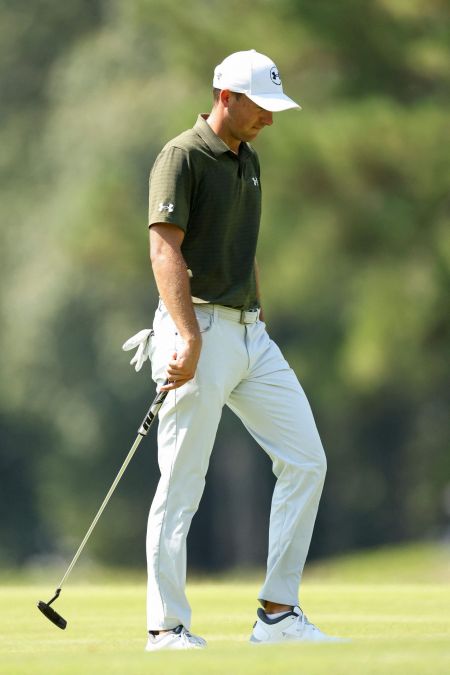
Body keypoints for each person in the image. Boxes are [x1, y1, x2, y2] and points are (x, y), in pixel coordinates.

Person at [125, 49, 340, 650]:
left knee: (307, 461)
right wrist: (189, 336)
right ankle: (166, 627)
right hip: (196, 330)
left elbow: (244, 248)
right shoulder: (181, 156)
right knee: (182, 484)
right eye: (261, 107)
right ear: (227, 97)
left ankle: (277, 615)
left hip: (250, 334)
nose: (270, 118)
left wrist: (258, 316)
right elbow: (164, 249)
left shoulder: (249, 160)